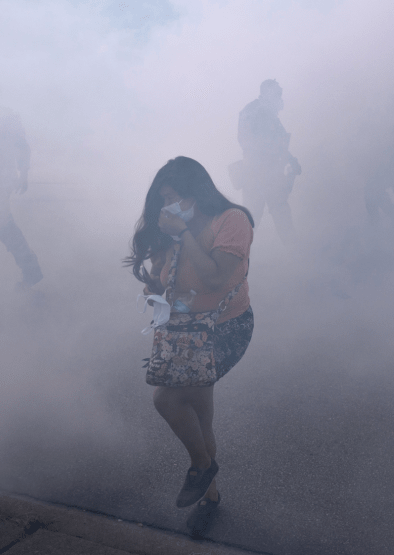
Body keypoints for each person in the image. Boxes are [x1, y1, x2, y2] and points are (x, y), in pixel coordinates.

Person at [126, 157, 254, 536]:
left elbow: (215, 278)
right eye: (163, 198)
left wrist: (183, 234)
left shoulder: (232, 220)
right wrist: (155, 287)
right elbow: (168, 280)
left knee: (167, 400)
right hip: (184, 329)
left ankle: (202, 467)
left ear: (197, 192)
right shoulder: (168, 227)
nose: (168, 205)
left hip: (224, 328)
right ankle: (209, 494)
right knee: (200, 414)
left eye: (175, 196)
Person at [0, 78, 43, 287]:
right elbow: (23, 147)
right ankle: (31, 268)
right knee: (0, 222)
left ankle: (30, 267)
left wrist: (23, 174)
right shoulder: (9, 116)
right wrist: (23, 174)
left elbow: (21, 146)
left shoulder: (7, 116)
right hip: (1, 178)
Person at [231, 79, 300, 244]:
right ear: (268, 93)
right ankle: (235, 255)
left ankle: (296, 253)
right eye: (277, 93)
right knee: (253, 217)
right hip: (257, 175)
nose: (280, 97)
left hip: (268, 174)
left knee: (278, 211)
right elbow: (251, 143)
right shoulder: (257, 112)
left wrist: (289, 159)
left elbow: (278, 143)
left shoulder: (265, 112)